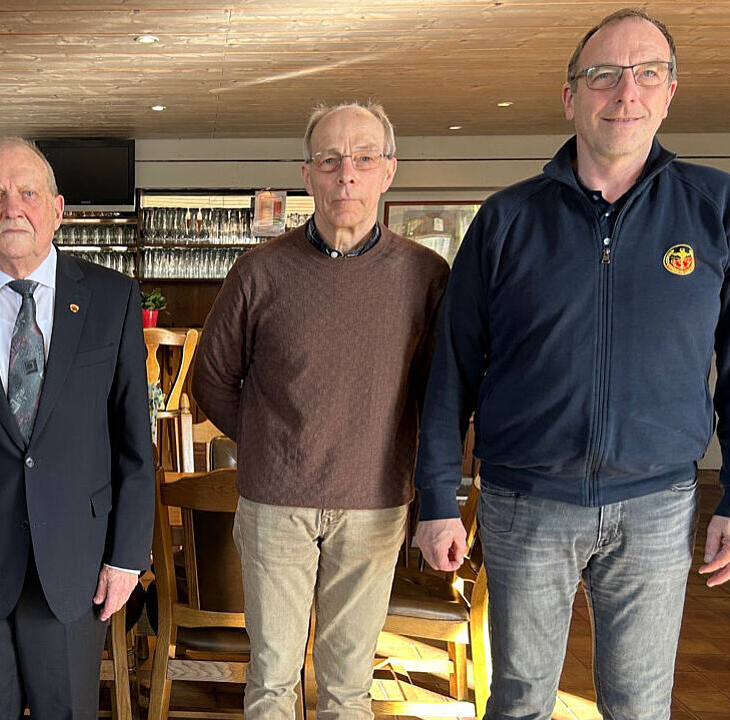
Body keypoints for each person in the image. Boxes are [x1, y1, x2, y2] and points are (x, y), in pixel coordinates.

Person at [414, 9, 730, 719]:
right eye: (604, 75)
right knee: (521, 699)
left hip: (657, 505)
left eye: (646, 72)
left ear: (669, 91)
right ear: (571, 96)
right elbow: (451, 374)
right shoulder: (505, 221)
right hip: (523, 502)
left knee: (640, 705)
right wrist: (438, 499)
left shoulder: (719, 209)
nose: (626, 91)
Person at [193, 102, 449, 720]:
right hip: (274, 506)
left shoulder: (425, 275)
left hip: (375, 504)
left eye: (363, 159)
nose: (347, 175)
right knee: (273, 678)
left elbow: (437, 394)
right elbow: (211, 379)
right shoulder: (259, 271)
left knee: (348, 688)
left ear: (389, 171)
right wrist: (270, 443)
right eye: (330, 161)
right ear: (307, 176)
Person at [0, 137, 153, 719]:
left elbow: (135, 448)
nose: (11, 207)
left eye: (27, 193)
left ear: (57, 209)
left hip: (76, 564)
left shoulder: (112, 299)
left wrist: (127, 556)